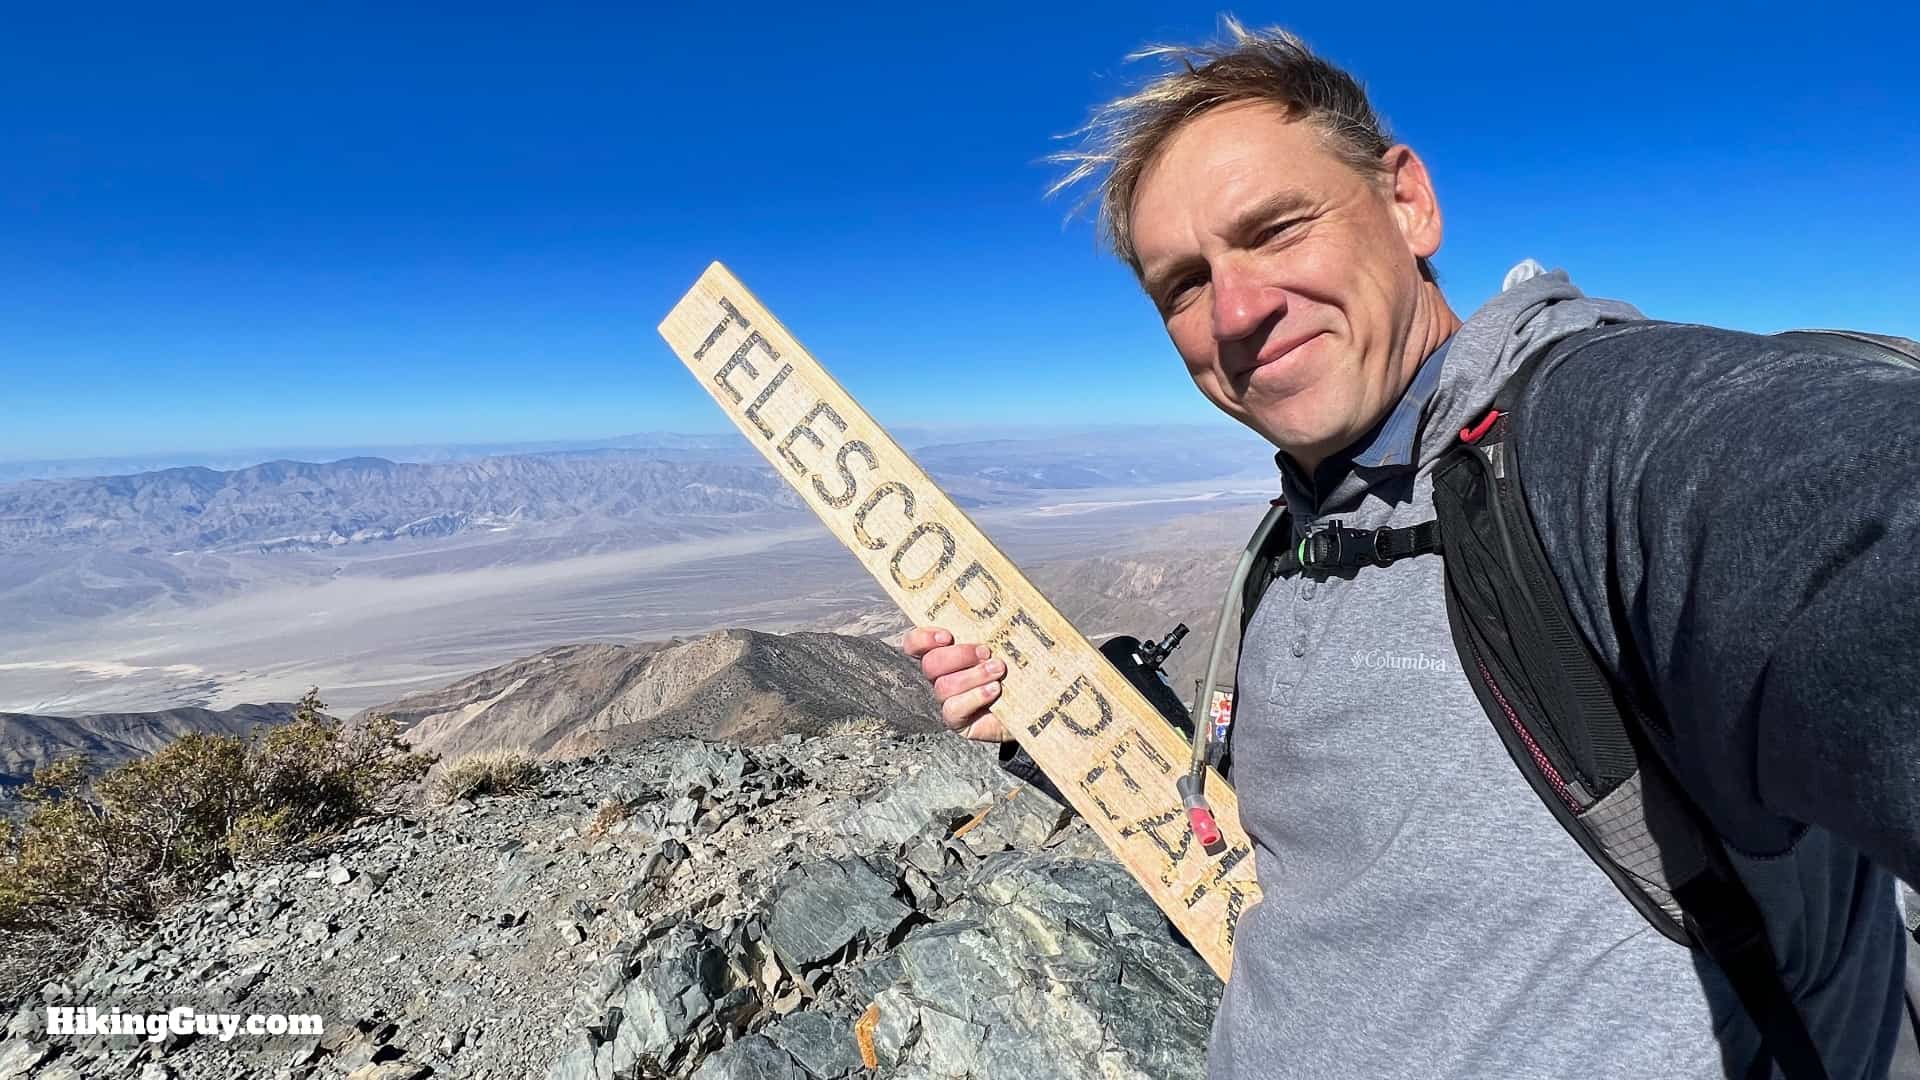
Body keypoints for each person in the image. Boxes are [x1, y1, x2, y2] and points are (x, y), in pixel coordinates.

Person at [900, 18, 1920, 1080]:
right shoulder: (1291, 542)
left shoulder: (1594, 444)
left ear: (1408, 202)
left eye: (1277, 227)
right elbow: (1317, 825)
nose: (1237, 310)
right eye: (1184, 286)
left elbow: (1845, 527)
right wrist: (1053, 720)